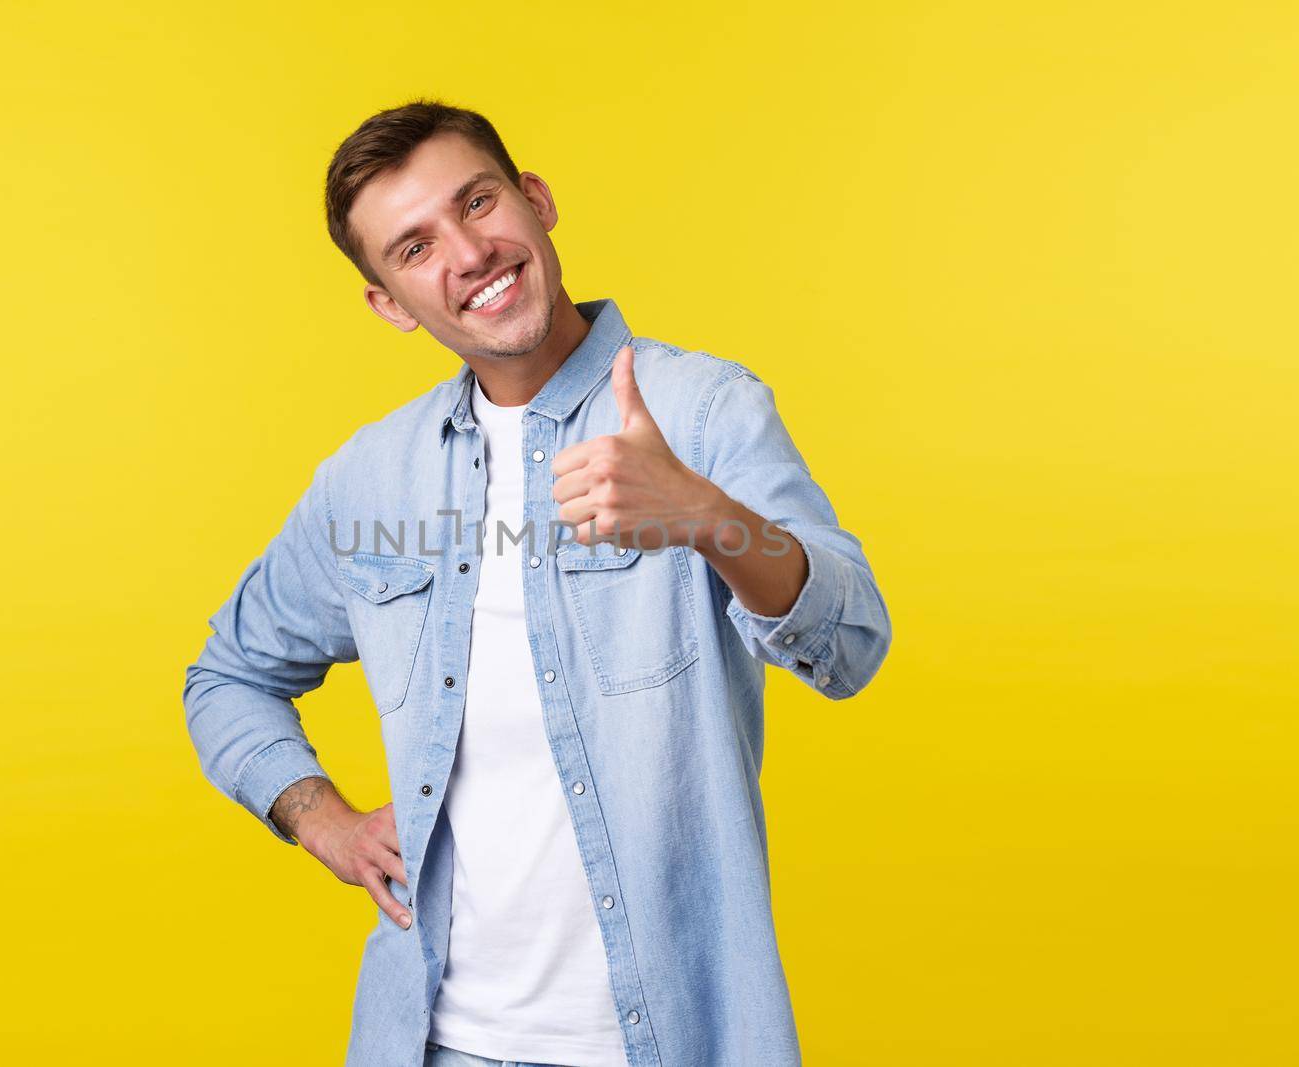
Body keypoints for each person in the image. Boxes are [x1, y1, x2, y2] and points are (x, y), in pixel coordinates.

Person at [182, 99, 893, 1067]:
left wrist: (708, 519)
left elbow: (851, 646)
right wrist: (322, 818)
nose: (468, 252)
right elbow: (227, 675)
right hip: (429, 1037)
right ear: (389, 302)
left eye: (478, 202)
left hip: (668, 1035)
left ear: (537, 201)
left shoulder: (703, 409)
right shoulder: (370, 476)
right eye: (414, 246)